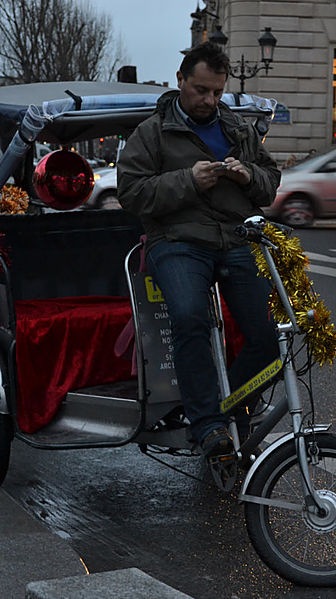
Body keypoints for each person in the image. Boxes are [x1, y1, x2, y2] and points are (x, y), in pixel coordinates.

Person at [118, 42, 281, 461]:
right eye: (201, 90)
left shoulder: (237, 129)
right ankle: (207, 425)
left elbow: (270, 180)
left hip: (235, 239)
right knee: (189, 316)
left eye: (216, 92)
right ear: (181, 82)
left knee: (270, 336)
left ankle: (235, 405)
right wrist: (189, 181)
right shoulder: (151, 133)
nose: (209, 100)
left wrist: (248, 176)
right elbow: (132, 194)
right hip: (176, 242)